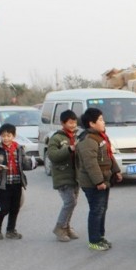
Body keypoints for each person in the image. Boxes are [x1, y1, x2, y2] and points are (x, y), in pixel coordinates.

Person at [77, 108, 122, 251]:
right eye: (101, 120)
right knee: (96, 210)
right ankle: (94, 240)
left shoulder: (101, 137)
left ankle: (100, 236)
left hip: (104, 179)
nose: (104, 122)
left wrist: (116, 171)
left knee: (102, 209)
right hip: (93, 183)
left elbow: (109, 156)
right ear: (91, 123)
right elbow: (91, 164)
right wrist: (99, 182)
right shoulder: (88, 140)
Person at [0, 123, 34, 240]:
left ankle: (11, 230)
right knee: (4, 208)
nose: (6, 138)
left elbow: (24, 163)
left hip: (17, 182)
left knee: (15, 208)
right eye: (3, 136)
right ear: (0, 136)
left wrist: (32, 163)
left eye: (9, 136)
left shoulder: (19, 148)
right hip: (3, 184)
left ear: (14, 136)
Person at [47, 110, 81, 242]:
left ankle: (66, 227)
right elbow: (53, 156)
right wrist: (69, 149)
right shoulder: (56, 138)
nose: (73, 125)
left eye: (75, 122)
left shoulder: (77, 136)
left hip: (76, 176)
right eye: (70, 122)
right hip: (63, 176)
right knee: (69, 202)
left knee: (73, 203)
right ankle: (59, 227)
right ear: (63, 123)